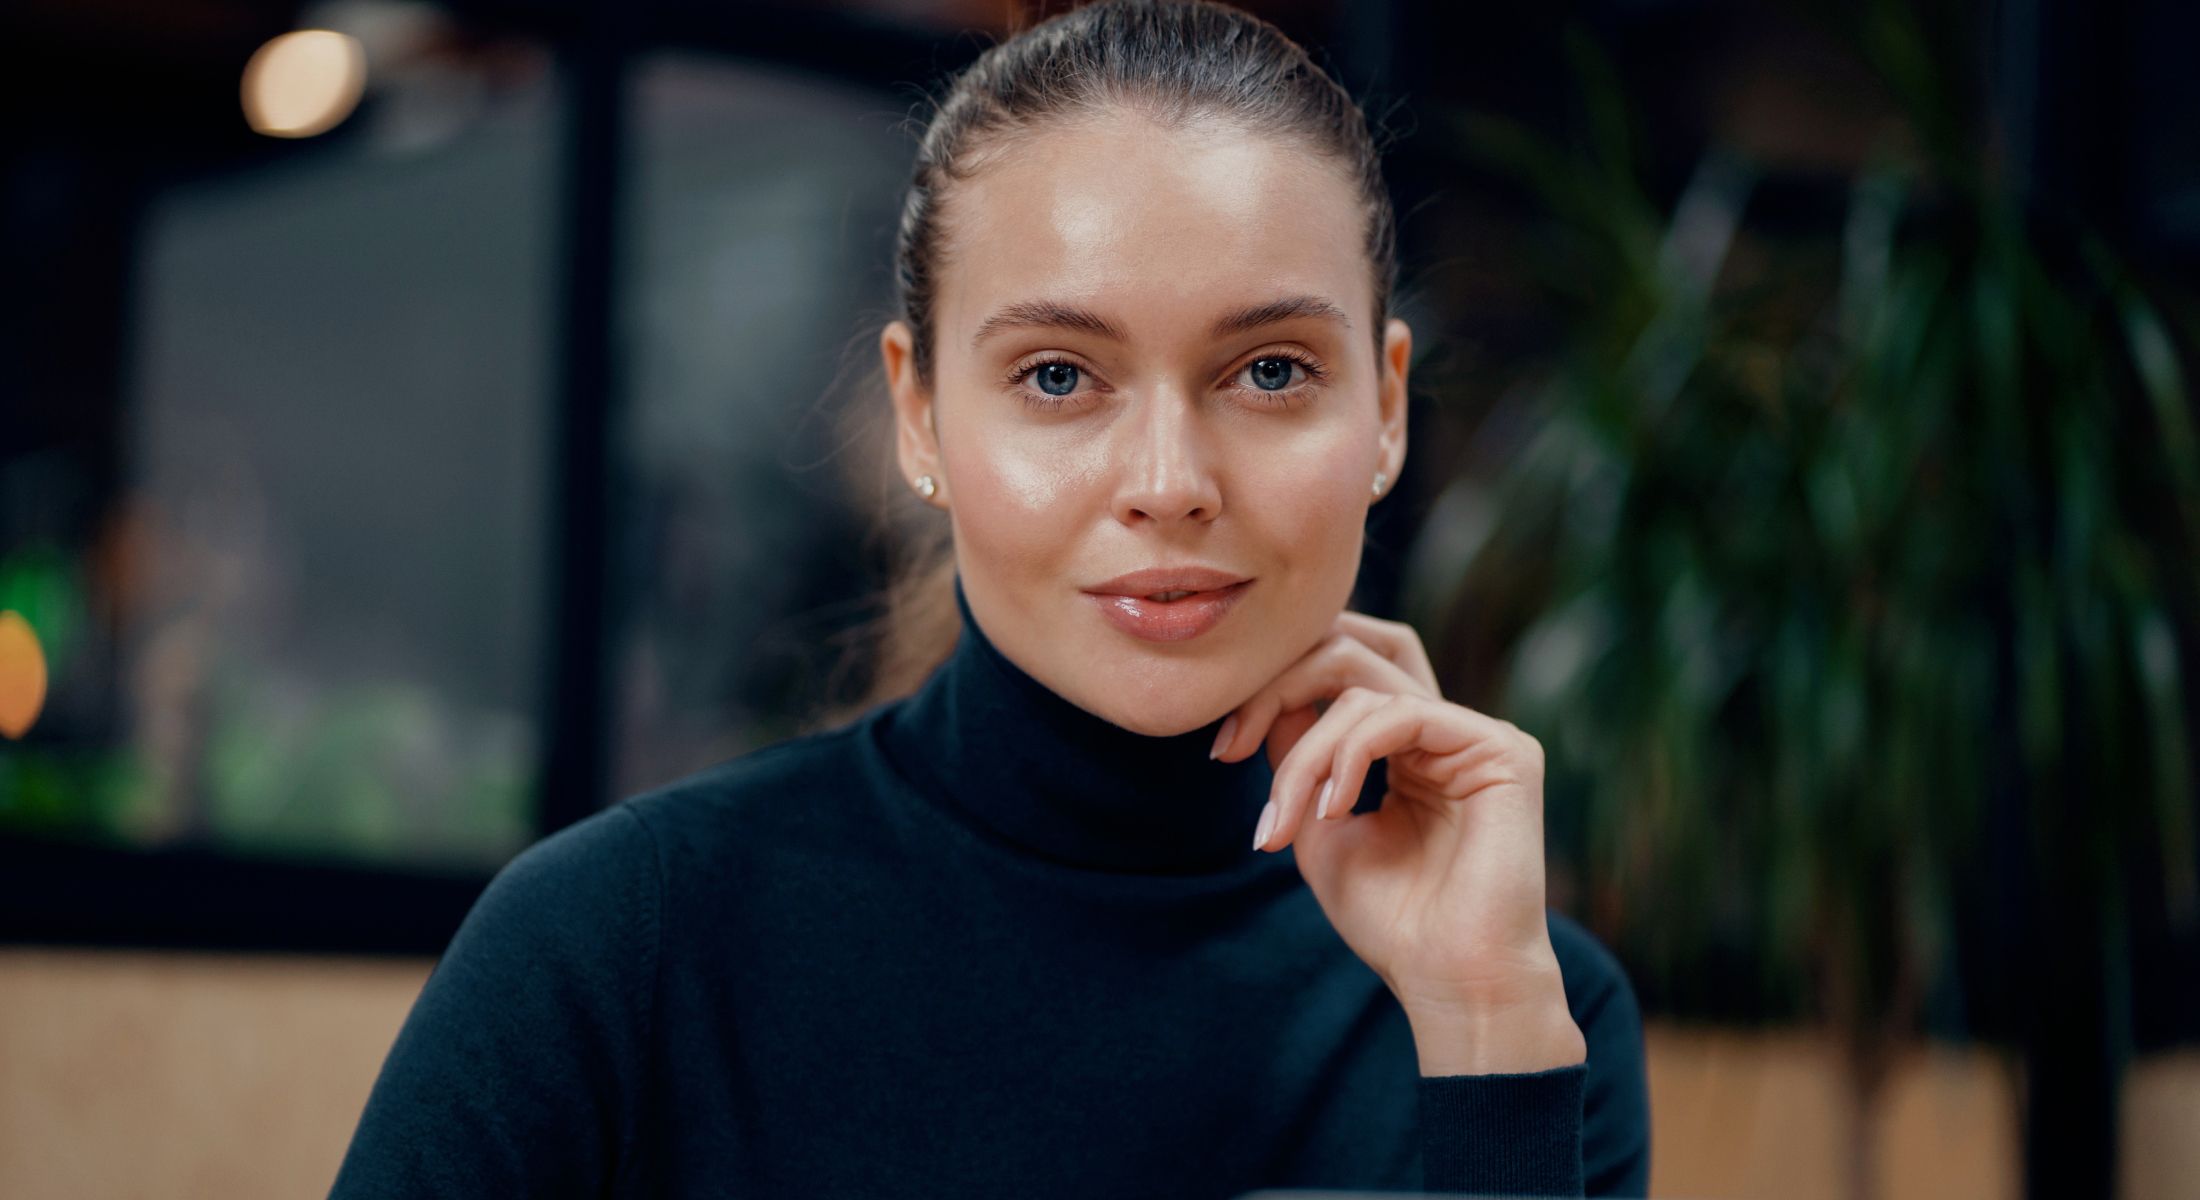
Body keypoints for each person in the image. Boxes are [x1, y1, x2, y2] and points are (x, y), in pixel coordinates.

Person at [327, 2, 1651, 1196]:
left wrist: (1486, 1031)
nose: (1169, 482)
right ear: (918, 414)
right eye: (1061, 378)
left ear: (1387, 410)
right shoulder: (624, 945)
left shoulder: (1533, 1009)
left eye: (1270, 372)